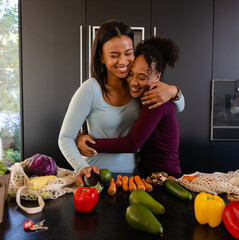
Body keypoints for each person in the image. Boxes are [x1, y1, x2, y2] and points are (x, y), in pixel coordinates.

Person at [58, 20, 184, 187]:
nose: (123, 61)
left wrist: (174, 91)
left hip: (133, 176)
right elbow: (65, 137)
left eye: (128, 53)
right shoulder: (90, 89)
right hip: (96, 174)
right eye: (114, 55)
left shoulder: (137, 87)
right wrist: (82, 163)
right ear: (101, 56)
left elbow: (178, 107)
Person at [79, 36, 182, 176]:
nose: (133, 82)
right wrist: (84, 135)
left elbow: (133, 143)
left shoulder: (155, 99)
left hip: (165, 176)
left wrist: (89, 143)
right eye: (131, 74)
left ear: (157, 77)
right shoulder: (141, 96)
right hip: (147, 174)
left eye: (141, 77)